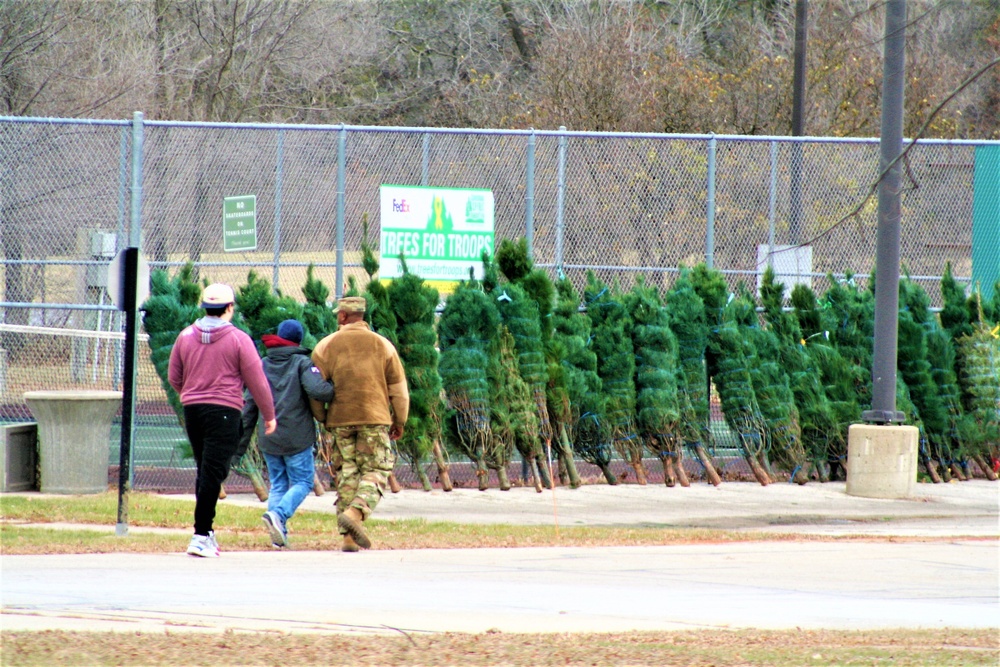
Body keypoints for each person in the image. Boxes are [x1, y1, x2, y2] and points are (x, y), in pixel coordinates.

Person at [168, 283, 276, 558]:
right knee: (214, 472)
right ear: (230, 308)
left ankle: (206, 532)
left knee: (206, 471)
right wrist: (269, 415)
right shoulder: (239, 339)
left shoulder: (185, 336)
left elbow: (174, 377)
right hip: (225, 410)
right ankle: (200, 534)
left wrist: (191, 393)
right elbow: (258, 382)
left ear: (204, 307)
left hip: (193, 410)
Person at [311, 296, 409, 552]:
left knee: (347, 473)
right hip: (374, 418)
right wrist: (400, 420)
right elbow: (399, 390)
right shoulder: (383, 345)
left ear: (343, 316)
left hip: (340, 420)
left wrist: (323, 416)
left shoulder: (325, 346)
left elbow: (314, 389)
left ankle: (348, 538)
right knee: (377, 469)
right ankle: (355, 513)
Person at [240, 319, 333, 548]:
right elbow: (317, 390)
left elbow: (249, 402)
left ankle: (278, 536)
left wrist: (240, 440)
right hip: (296, 437)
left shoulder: (262, 363)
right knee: (302, 481)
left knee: (279, 483)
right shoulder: (302, 363)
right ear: (299, 340)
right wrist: (335, 387)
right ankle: (279, 516)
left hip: (268, 436)